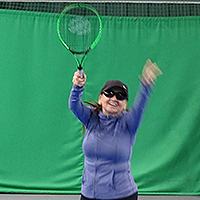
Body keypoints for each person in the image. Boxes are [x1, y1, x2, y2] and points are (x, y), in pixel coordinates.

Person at [69, 59, 162, 200]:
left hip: (122, 196)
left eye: (120, 96)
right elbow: (74, 104)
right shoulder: (91, 118)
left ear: (125, 104)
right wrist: (77, 86)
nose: (114, 98)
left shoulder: (129, 123)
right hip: (88, 194)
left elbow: (140, 107)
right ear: (100, 98)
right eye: (109, 93)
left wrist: (146, 85)